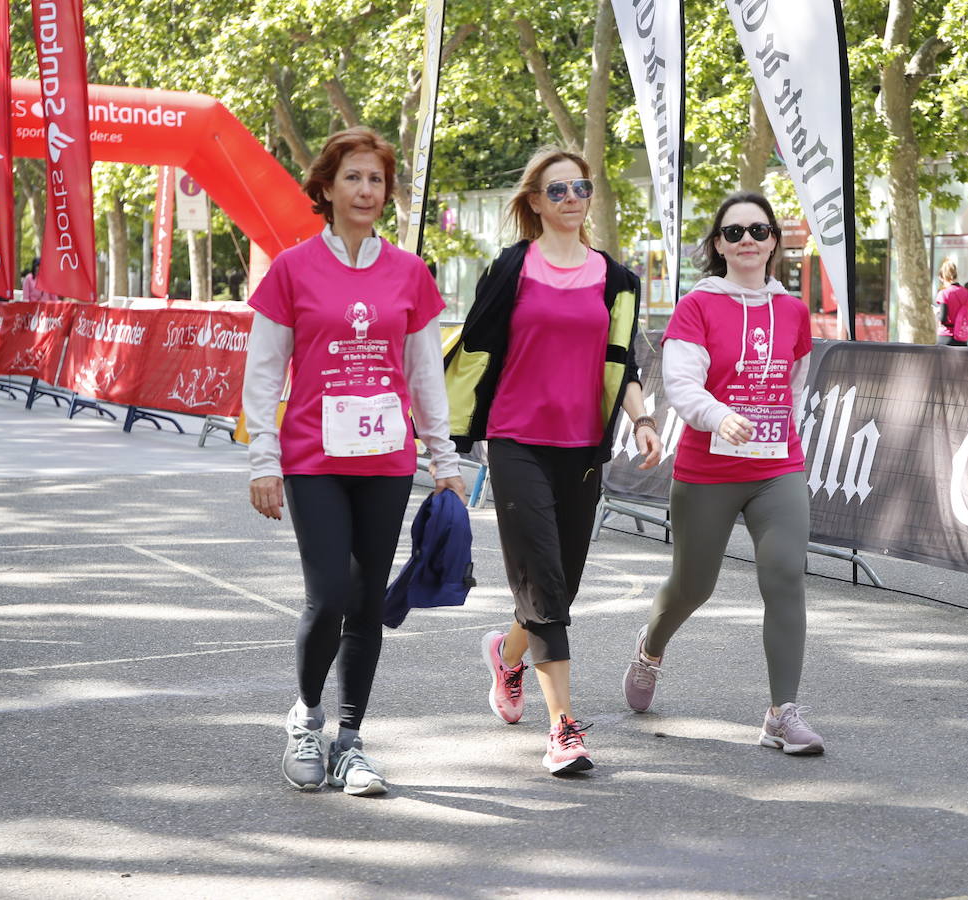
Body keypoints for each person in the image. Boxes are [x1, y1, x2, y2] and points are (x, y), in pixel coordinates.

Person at [241, 127, 466, 797]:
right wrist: (263, 460)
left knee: (367, 603)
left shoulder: (410, 274)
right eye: (353, 178)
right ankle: (306, 717)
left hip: (386, 459)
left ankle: (351, 740)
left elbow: (427, 373)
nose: (366, 190)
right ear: (327, 189)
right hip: (313, 456)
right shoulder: (291, 269)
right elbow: (263, 374)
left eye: (376, 180)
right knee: (330, 595)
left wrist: (444, 459)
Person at [444, 146, 662, 775]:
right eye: (558, 190)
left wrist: (642, 421)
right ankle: (562, 727)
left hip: (582, 447)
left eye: (581, 188)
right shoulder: (512, 269)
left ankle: (508, 657)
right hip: (516, 441)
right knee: (543, 577)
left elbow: (624, 364)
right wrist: (444, 438)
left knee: (555, 583)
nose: (572, 199)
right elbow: (473, 348)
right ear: (535, 202)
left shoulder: (616, 280)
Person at [622, 191, 823, 756]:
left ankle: (781, 713)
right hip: (708, 469)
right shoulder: (698, 305)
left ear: (774, 242)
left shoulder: (793, 310)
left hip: (775, 467)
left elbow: (795, 382)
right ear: (718, 245)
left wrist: (776, 428)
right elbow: (682, 385)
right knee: (693, 586)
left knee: (785, 575)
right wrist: (720, 415)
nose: (748, 241)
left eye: (758, 231)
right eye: (733, 233)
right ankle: (651, 645)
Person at [935, 261, 968, 346]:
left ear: (942, 277)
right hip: (962, 339)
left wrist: (937, 313)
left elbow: (943, 319)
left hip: (946, 336)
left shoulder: (944, 294)